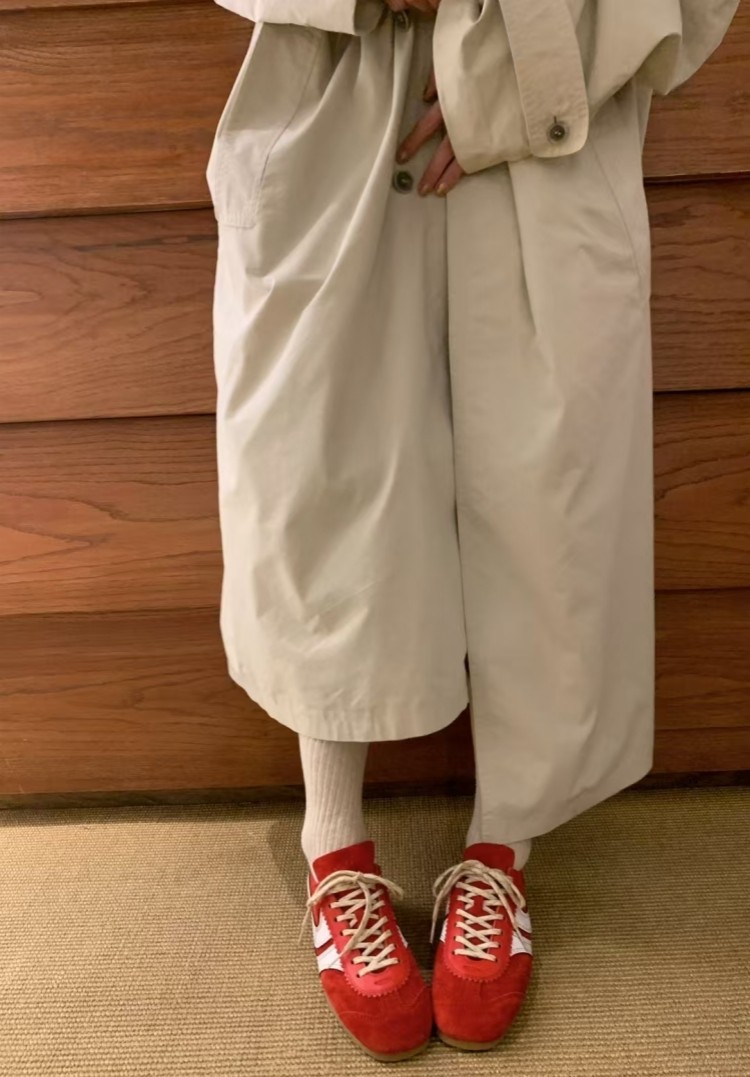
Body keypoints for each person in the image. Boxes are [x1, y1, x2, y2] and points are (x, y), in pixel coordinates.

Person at [205, 0, 738, 1061]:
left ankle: (502, 848)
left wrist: (519, 69)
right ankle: (333, 844)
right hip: (338, 91)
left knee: (549, 491)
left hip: (554, 80)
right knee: (324, 471)